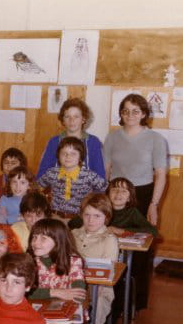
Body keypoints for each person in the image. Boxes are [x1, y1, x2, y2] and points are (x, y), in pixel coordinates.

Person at [104, 93, 168, 226]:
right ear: (121, 114)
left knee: (139, 233)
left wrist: (154, 204)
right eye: (125, 111)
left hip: (142, 194)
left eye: (135, 111)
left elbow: (161, 175)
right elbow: (106, 169)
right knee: (111, 231)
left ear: (143, 114)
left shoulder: (156, 139)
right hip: (115, 192)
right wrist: (103, 197)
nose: (130, 115)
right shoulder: (112, 137)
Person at [106, 177, 157, 312]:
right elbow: (75, 223)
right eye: (114, 189)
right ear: (108, 193)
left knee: (122, 277)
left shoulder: (132, 212)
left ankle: (117, 309)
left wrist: (123, 231)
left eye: (124, 191)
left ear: (129, 197)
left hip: (122, 259)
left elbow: (152, 231)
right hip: (102, 256)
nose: (118, 193)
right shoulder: (102, 209)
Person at [71, 194, 118, 324]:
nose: (91, 220)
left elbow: (108, 273)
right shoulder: (73, 234)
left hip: (99, 289)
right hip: (73, 285)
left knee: (94, 308)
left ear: (106, 217)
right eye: (87, 215)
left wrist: (91, 295)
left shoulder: (109, 239)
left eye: (97, 216)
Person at [37, 136, 106, 218]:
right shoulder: (51, 173)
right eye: (64, 153)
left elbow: (105, 189)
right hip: (55, 216)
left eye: (73, 154)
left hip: (79, 218)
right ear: (58, 155)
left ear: (80, 157)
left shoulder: (89, 175)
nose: (68, 156)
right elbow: (37, 187)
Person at [37, 98, 106, 179]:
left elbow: (100, 175)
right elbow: (42, 174)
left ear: (83, 119)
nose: (72, 120)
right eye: (67, 116)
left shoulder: (93, 142)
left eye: (76, 116)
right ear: (63, 120)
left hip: (85, 186)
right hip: (58, 185)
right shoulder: (54, 142)